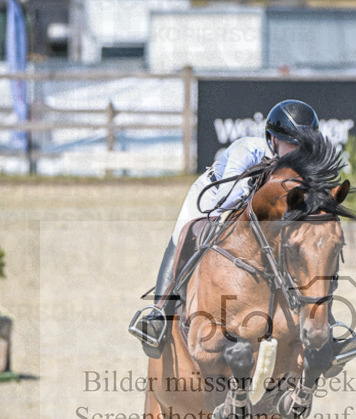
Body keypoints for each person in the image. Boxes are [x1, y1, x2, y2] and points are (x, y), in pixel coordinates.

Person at [129, 99, 319, 357]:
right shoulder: (247, 150)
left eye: (305, 146)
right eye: (293, 144)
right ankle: (159, 314)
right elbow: (229, 196)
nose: (300, 152)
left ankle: (322, 325)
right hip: (214, 195)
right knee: (185, 233)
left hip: (262, 211)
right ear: (272, 139)